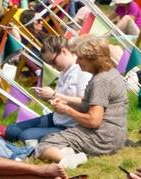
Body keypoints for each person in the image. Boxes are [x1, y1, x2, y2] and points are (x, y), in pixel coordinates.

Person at [35, 38, 128, 170]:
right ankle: (69, 153)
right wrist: (65, 101)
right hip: (114, 136)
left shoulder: (101, 81)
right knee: (52, 139)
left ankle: (68, 159)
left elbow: (93, 121)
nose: (77, 62)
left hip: (104, 138)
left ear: (93, 58)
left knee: (44, 145)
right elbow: (88, 105)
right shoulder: (110, 73)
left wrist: (67, 110)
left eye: (80, 58)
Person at [4, 36, 92, 144]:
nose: (53, 67)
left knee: (25, 136)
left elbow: (85, 103)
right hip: (56, 118)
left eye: (53, 62)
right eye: (49, 64)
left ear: (63, 51)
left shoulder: (82, 70)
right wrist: (47, 98)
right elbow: (61, 101)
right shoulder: (64, 70)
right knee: (11, 130)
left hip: (70, 125)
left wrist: (54, 95)